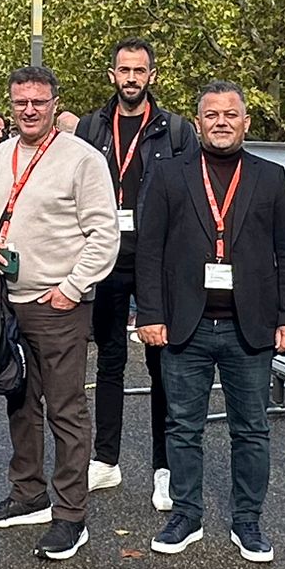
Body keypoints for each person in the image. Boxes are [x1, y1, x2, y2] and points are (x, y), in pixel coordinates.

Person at [134, 82, 285, 562]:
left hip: (249, 327)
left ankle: (247, 519)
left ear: (246, 122)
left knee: (251, 429)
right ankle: (186, 514)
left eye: (231, 114)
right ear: (198, 122)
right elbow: (149, 251)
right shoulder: (169, 174)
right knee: (182, 427)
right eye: (212, 115)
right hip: (184, 326)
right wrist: (150, 314)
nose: (222, 122)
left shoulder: (270, 177)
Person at [0, 65, 120, 561]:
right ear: (10, 105)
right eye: (20, 102)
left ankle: (71, 515)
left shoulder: (82, 159)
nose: (29, 110)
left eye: (38, 101)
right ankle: (27, 493)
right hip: (5, 301)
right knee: (18, 400)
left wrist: (71, 289)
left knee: (66, 409)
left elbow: (104, 234)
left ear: (55, 103)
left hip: (57, 306)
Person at [75, 38, 196, 508]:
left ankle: (164, 467)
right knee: (109, 361)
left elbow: (189, 196)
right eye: (123, 70)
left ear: (151, 76)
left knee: (162, 366)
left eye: (139, 70)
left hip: (157, 261)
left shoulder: (176, 130)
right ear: (112, 75)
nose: (131, 78)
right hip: (105, 257)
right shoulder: (90, 128)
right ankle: (106, 459)